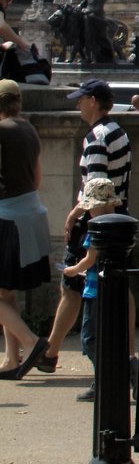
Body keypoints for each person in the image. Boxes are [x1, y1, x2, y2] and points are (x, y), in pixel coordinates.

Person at [44, 78, 132, 371]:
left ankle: (51, 352)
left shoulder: (96, 137)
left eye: (81, 99)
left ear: (93, 101)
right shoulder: (117, 131)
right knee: (114, 288)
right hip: (116, 218)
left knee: (72, 285)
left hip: (96, 225)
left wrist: (78, 216)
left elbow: (95, 189)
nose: (78, 104)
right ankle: (51, 350)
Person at [0, 78, 49, 379]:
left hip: (7, 217)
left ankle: (30, 343)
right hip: (30, 211)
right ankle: (11, 358)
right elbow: (38, 177)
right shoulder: (28, 128)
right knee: (6, 292)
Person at [59, 176, 118, 400]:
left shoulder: (96, 230)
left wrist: (72, 270)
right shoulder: (118, 227)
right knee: (106, 336)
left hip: (94, 290)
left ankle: (106, 378)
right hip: (111, 289)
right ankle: (114, 375)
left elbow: (89, 260)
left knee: (89, 339)